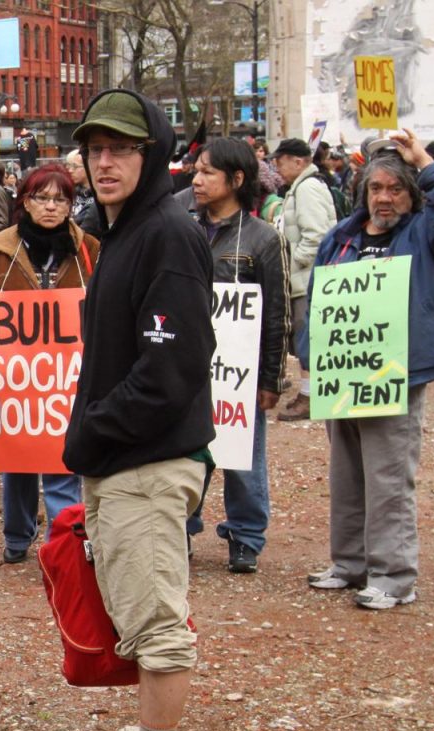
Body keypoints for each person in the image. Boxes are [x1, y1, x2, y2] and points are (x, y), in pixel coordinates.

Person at [55, 89, 214, 731]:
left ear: (153, 153)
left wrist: (92, 430)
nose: (105, 161)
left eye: (122, 147)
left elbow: (169, 369)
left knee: (155, 623)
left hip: (146, 462)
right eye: (95, 148)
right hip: (128, 458)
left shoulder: (166, 233)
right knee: (141, 611)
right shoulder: (123, 231)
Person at [299, 130, 434, 609]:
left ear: (411, 193)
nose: (384, 197)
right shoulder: (343, 236)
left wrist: (426, 162)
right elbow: (319, 300)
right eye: (376, 188)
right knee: (347, 474)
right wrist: (311, 357)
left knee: (389, 477)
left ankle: (394, 577)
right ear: (363, 192)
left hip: (397, 374)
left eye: (396, 189)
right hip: (345, 372)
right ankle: (350, 563)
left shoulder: (427, 233)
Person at [0, 164, 92, 562]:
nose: (52, 207)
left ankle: (62, 546)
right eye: (42, 198)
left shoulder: (89, 249)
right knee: (16, 462)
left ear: (72, 204)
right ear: (25, 200)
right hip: (13, 381)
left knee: (62, 462)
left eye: (61, 199)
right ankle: (17, 539)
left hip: (67, 379)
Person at [184, 138, 290, 573]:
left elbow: (278, 313)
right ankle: (181, 529)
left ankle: (245, 536)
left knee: (243, 455)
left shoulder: (264, 240)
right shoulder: (183, 228)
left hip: (238, 374)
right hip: (188, 368)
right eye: (196, 170)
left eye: (208, 172)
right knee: (185, 454)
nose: (197, 179)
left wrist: (271, 379)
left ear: (237, 179)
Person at [271, 138, 337, 421]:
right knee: (306, 339)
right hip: (305, 277)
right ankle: (312, 393)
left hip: (306, 279)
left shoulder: (307, 189)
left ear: (298, 161)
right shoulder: (303, 188)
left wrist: (290, 264)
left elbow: (315, 236)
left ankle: (311, 396)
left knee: (308, 339)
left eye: (280, 160)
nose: (276, 166)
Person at [67, 148, 101, 237]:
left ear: (89, 166)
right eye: (68, 166)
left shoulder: (99, 199)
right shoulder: (69, 191)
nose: (70, 170)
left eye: (75, 166)